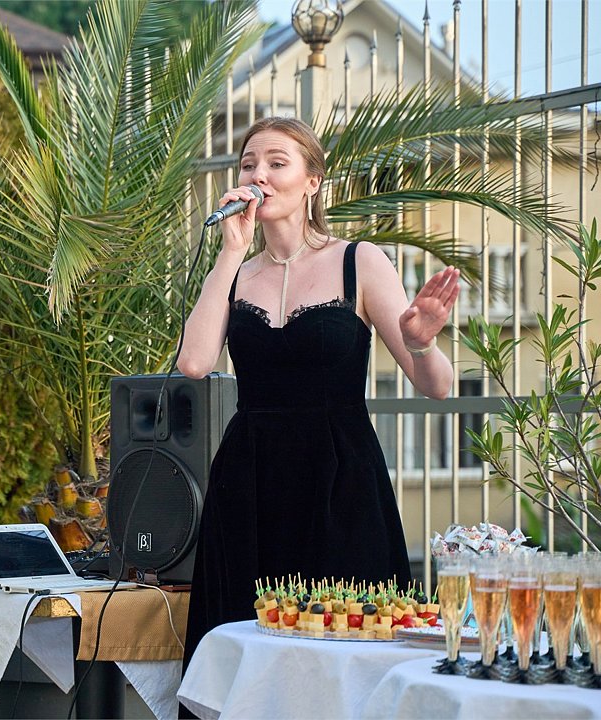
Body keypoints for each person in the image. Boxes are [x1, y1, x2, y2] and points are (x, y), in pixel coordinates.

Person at [177, 117, 459, 674]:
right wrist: (230, 253)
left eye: (276, 163)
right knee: (244, 650)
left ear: (312, 181)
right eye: (249, 165)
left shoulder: (360, 261)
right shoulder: (236, 273)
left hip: (340, 480)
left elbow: (438, 386)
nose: (259, 175)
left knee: (346, 648)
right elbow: (193, 363)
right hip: (249, 483)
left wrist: (420, 343)